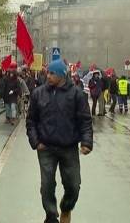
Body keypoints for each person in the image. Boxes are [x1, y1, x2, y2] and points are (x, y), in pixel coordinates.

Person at [26, 59, 93, 223]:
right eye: (47, 72)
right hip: (46, 147)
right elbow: (31, 121)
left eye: (52, 73)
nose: (48, 76)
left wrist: (86, 142)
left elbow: (85, 120)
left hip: (68, 148)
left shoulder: (77, 94)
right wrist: (36, 142)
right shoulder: (38, 93)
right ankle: (51, 215)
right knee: (47, 185)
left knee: (73, 185)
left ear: (62, 75)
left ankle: (66, 207)